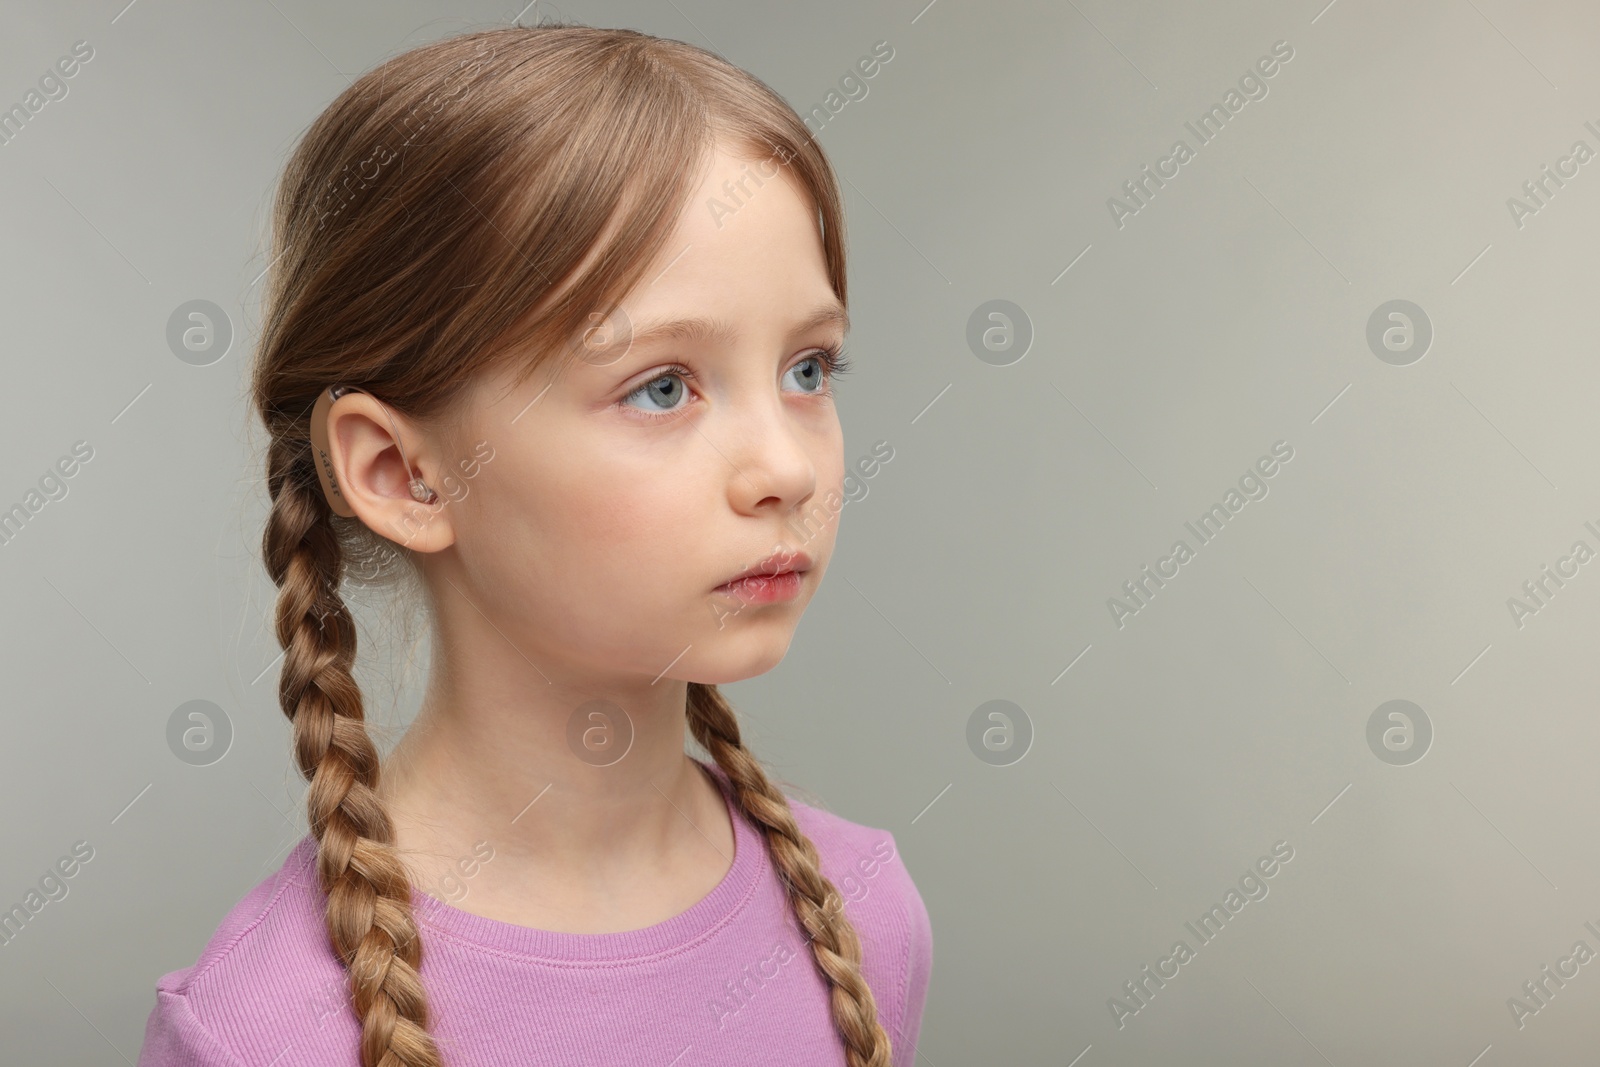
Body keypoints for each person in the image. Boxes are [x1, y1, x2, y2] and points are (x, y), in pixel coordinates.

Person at [135, 21, 932, 1067]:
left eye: (809, 369)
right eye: (661, 387)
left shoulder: (866, 916)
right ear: (401, 472)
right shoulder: (263, 1032)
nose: (786, 467)